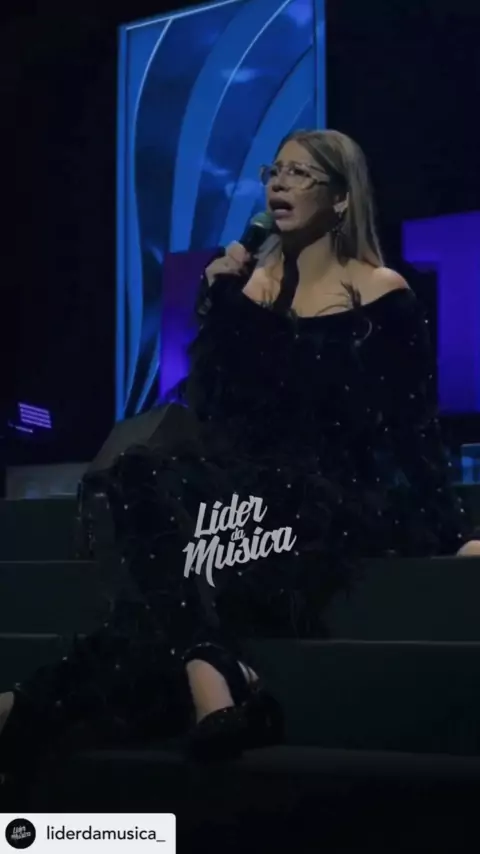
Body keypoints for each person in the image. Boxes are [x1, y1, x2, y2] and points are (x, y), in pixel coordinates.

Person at [1, 129, 479, 773]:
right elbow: (219, 414)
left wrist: (451, 531)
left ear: (341, 199)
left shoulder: (381, 291)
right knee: (137, 477)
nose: (279, 183)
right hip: (245, 491)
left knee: (170, 580)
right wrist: (224, 302)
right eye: (273, 170)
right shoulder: (247, 289)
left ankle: (25, 708)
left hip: (328, 497)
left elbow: (412, 426)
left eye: (300, 173)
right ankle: (210, 664)